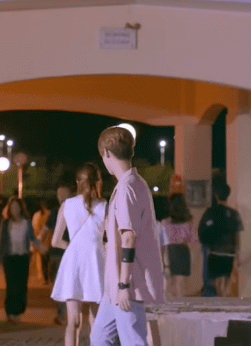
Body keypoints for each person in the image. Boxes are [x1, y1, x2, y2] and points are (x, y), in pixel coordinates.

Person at [91, 126, 165, 346]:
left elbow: (129, 238)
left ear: (106, 153)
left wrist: (124, 286)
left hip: (127, 285)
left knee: (133, 341)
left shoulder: (126, 188)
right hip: (115, 285)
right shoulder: (134, 184)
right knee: (99, 339)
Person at [51, 163, 107, 346]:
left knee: (73, 321)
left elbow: (55, 241)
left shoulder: (67, 205)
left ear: (78, 182)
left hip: (73, 262)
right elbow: (110, 238)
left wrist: (74, 246)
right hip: (95, 261)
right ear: (98, 183)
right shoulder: (105, 206)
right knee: (96, 319)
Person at [0, 196, 47, 323]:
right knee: (11, 285)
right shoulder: (6, 223)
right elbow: (2, 241)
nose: (14, 210)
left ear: (20, 208)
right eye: (12, 207)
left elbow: (32, 237)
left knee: (22, 286)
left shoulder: (26, 222)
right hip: (10, 258)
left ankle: (19, 311)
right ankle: (10, 311)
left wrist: (40, 245)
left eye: (17, 207)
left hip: (23, 257)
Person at [197, 182, 243, 297]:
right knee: (226, 279)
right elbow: (237, 236)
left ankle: (220, 300)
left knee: (215, 281)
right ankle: (224, 298)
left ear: (216, 195)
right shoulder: (234, 214)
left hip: (215, 251)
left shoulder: (210, 212)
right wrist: (237, 255)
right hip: (230, 252)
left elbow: (202, 231)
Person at [44, 184, 74, 325]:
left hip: (67, 254)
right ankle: (63, 313)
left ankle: (63, 314)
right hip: (56, 254)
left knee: (64, 284)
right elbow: (45, 230)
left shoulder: (75, 211)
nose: (60, 196)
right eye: (58, 194)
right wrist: (38, 243)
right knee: (58, 284)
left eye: (62, 193)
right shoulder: (55, 212)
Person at [160, 193, 197, 299]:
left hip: (169, 251)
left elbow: (162, 242)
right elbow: (193, 239)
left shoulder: (165, 222)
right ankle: (181, 308)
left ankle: (169, 310)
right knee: (180, 284)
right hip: (183, 250)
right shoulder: (188, 222)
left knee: (168, 284)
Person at [31, 199, 51, 284]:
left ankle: (44, 277)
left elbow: (38, 228)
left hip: (44, 240)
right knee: (46, 260)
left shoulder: (41, 215)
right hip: (48, 240)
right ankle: (46, 277)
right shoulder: (50, 214)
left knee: (43, 260)